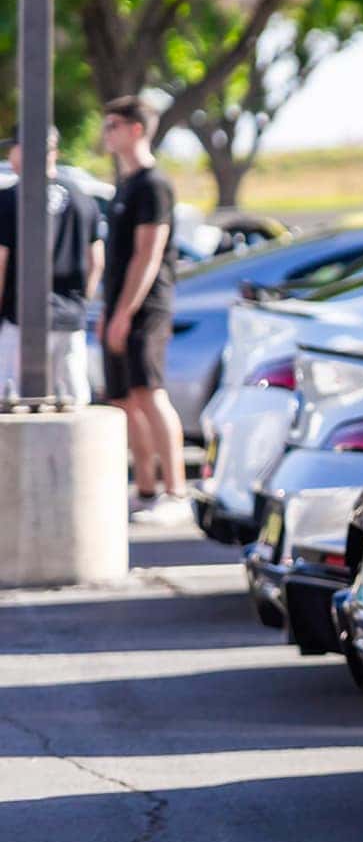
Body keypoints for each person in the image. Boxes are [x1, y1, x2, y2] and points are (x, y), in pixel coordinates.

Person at [99, 96, 190, 525]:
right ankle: (147, 489)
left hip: (146, 308)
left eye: (112, 124)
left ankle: (176, 492)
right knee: (124, 398)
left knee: (149, 394)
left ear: (136, 128)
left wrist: (125, 312)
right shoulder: (125, 185)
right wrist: (108, 310)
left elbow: (147, 256)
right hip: (118, 306)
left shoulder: (154, 185)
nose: (106, 132)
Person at [0, 126, 102, 403]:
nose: (11, 155)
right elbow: (97, 260)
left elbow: (1, 260)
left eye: (14, 147)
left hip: (18, 318)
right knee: (72, 405)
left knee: (11, 403)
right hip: (69, 317)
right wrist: (82, 302)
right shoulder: (83, 198)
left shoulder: (10, 198)